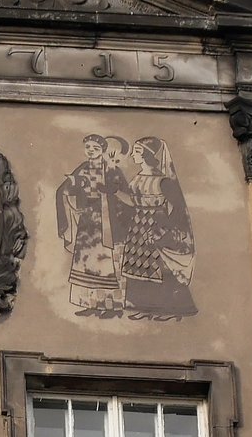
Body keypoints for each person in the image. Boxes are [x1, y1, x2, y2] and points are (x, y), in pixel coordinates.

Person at [117, 134, 196, 318]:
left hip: (155, 226)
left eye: (137, 151)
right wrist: (115, 193)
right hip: (138, 226)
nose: (133, 155)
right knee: (139, 265)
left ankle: (173, 309)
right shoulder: (137, 178)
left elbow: (176, 207)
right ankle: (144, 307)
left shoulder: (163, 181)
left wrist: (164, 229)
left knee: (161, 267)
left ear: (147, 154)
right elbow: (132, 201)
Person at [54, 134, 131, 314]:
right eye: (88, 147)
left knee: (107, 264)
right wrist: (73, 187)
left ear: (103, 150)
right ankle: (90, 304)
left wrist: (110, 193)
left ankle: (113, 307)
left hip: (108, 222)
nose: (91, 151)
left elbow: (124, 195)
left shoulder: (112, 169)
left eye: (95, 148)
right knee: (87, 263)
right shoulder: (82, 168)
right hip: (87, 221)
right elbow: (66, 189)